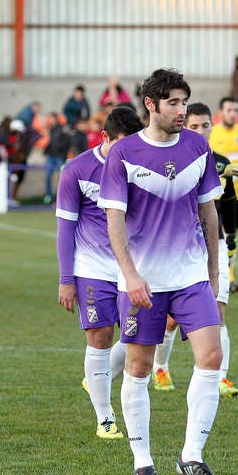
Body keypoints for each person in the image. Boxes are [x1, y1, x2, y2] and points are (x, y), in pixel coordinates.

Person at [98, 68, 224, 475]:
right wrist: (130, 274)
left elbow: (209, 211)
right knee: (139, 367)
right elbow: (114, 221)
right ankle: (142, 461)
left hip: (190, 276)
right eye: (173, 103)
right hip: (143, 282)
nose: (181, 111)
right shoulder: (123, 154)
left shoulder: (198, 147)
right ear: (150, 105)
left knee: (212, 356)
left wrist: (213, 271)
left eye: (184, 102)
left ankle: (192, 457)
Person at [57, 106, 143, 439]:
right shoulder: (76, 170)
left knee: (139, 338)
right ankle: (105, 417)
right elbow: (66, 229)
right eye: (123, 145)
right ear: (105, 138)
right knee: (100, 336)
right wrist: (66, 280)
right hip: (92, 267)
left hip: (134, 267)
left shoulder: (139, 168)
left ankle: (101, 376)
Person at [152, 102, 238, 397]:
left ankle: (220, 377)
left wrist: (230, 241)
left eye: (205, 125)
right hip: (181, 246)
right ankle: (160, 367)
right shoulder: (172, 159)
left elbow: (228, 201)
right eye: (194, 126)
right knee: (170, 318)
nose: (200, 131)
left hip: (214, 243)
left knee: (217, 312)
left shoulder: (219, 162)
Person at [208, 96, 238, 294]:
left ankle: (227, 273)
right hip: (215, 194)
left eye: (235, 110)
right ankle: (225, 277)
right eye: (228, 110)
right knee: (216, 233)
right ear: (221, 112)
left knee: (231, 236)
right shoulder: (212, 133)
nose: (232, 113)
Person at [43, 113, 72, 205]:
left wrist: (63, 154)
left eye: (51, 118)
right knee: (47, 177)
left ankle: (61, 198)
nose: (50, 120)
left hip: (59, 156)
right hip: (51, 156)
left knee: (62, 178)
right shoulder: (50, 130)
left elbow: (66, 142)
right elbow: (50, 142)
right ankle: (48, 197)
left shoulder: (62, 129)